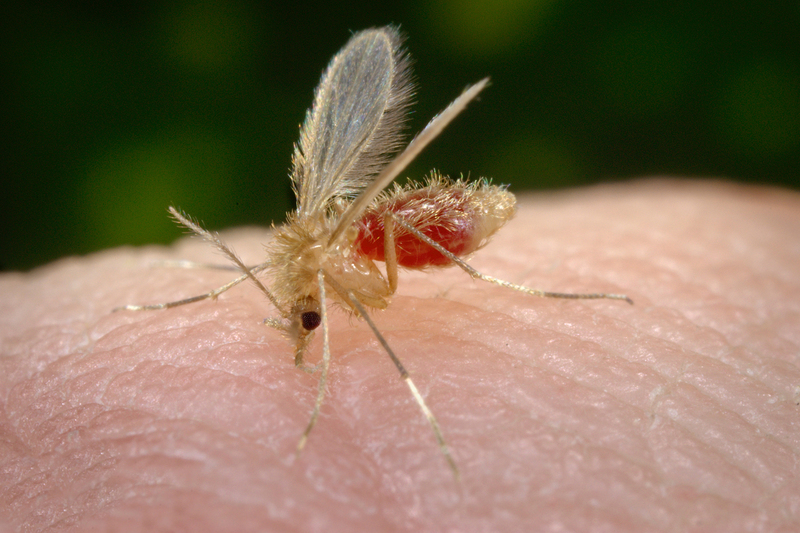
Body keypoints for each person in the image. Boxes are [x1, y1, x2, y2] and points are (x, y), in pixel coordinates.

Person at [2, 179, 798, 531]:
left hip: (432, 226)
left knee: (376, 302)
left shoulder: (342, 275)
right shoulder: (312, 273)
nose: (306, 316)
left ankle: (505, 286)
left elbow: (365, 303)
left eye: (304, 313)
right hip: (382, 233)